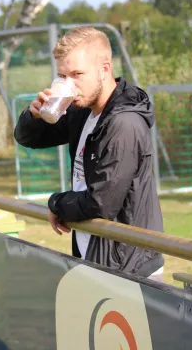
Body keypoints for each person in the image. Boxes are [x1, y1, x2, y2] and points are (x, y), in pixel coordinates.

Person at [14, 26, 164, 282]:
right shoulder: (83, 111)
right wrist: (35, 116)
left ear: (104, 69)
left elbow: (102, 203)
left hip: (128, 267)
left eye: (77, 74)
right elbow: (29, 138)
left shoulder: (123, 123)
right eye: (63, 76)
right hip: (96, 254)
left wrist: (57, 203)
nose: (69, 84)